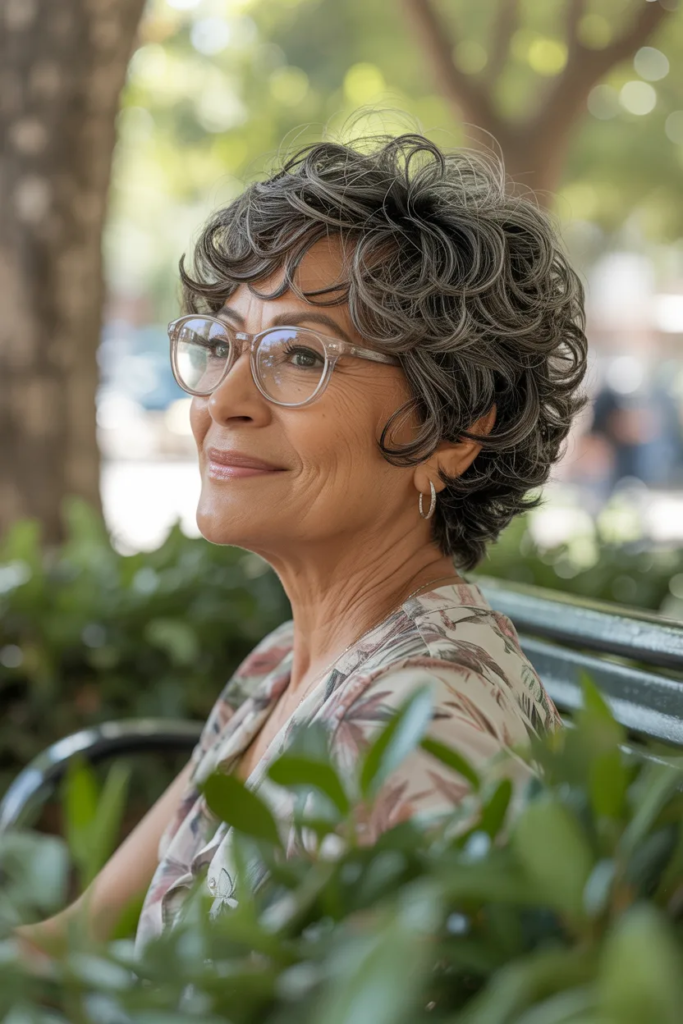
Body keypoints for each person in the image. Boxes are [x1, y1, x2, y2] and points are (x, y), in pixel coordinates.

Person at [16, 128, 587, 961]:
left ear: (454, 427)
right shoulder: (282, 666)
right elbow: (65, 944)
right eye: (223, 344)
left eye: (297, 355)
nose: (226, 401)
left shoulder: (410, 733)